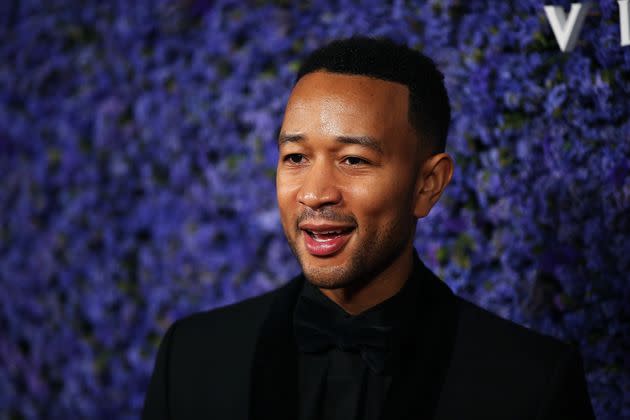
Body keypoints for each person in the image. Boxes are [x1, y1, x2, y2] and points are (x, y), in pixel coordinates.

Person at [141, 36, 595, 420]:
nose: (316, 193)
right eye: (296, 157)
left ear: (427, 184)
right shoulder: (192, 358)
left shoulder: (531, 385)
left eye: (354, 160)